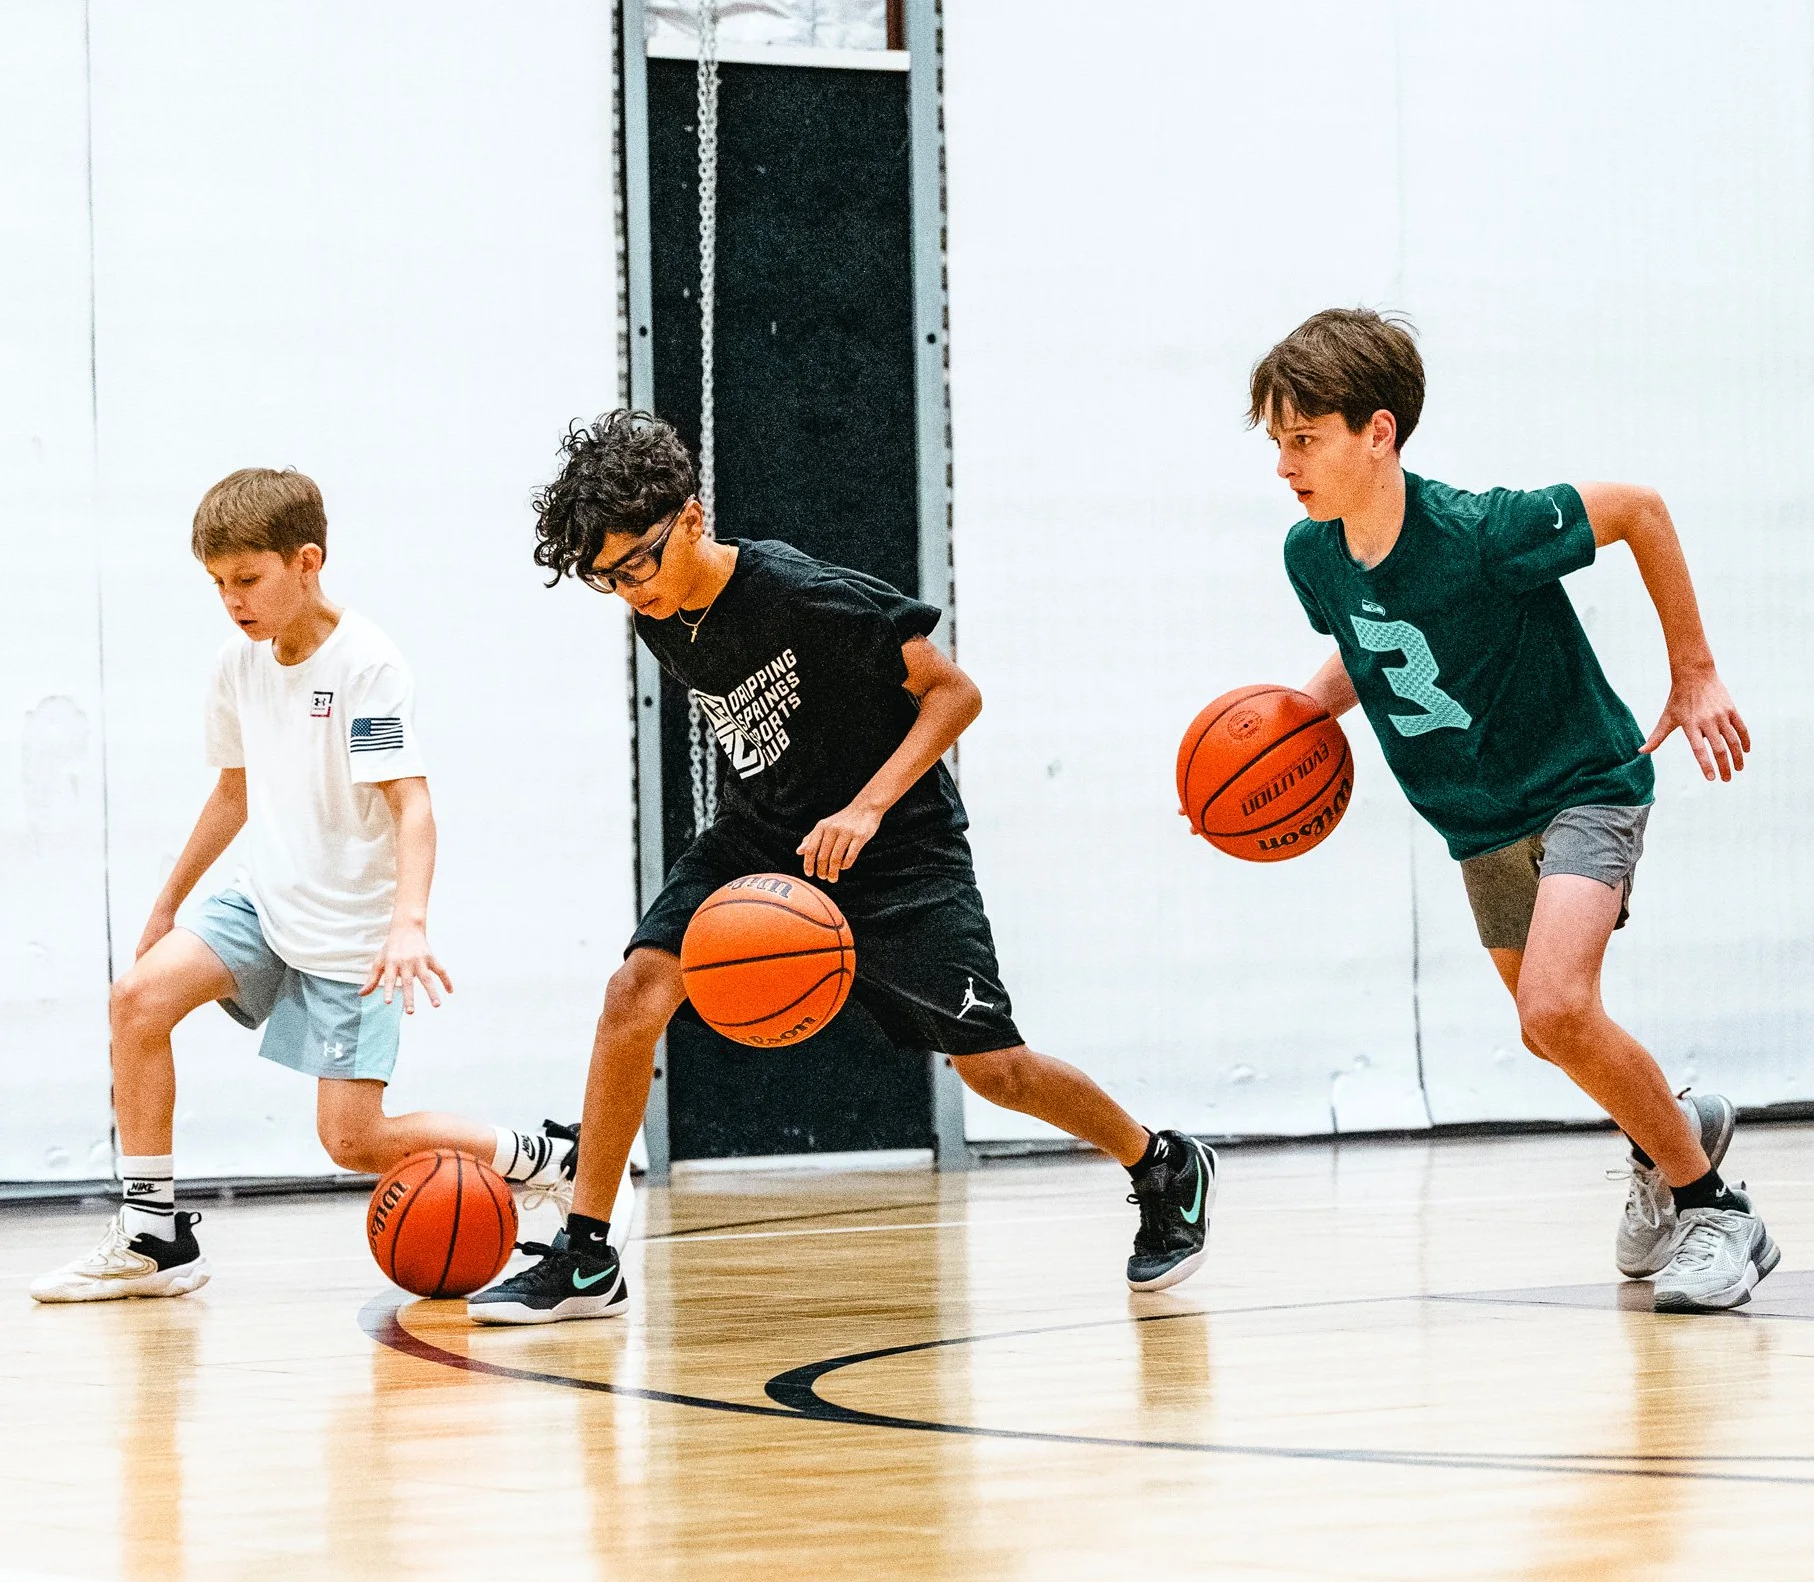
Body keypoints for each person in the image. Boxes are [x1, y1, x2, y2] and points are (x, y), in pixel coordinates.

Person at [466, 410, 1212, 1323]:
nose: (630, 592)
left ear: (691, 518)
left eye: (637, 565)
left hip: (897, 848)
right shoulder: (658, 619)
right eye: (607, 579)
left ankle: (1161, 1162)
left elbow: (954, 692)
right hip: (762, 836)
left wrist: (864, 807)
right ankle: (589, 1257)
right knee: (635, 993)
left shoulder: (798, 593)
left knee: (995, 1072)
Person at [1250, 308, 1774, 1314]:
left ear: (1377, 432)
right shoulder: (1311, 556)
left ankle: (1715, 1210)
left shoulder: (1481, 531)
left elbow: (1638, 509)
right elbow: (1373, 645)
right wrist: (1292, 720)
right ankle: (1672, 1126)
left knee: (1552, 1006)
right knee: (1552, 1030)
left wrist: (1694, 674)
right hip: (1473, 817)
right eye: (1275, 440)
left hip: (1584, 780)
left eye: (1302, 437)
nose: (1283, 463)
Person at [32, 467, 576, 1304]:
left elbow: (413, 805)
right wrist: (167, 903)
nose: (232, 601)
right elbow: (234, 792)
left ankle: (538, 1156)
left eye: (247, 580)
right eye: (217, 584)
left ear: (307, 562)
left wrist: (410, 924)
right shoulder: (237, 665)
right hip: (264, 901)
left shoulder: (368, 667)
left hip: (353, 936)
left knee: (353, 1141)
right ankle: (154, 1237)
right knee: (137, 1000)